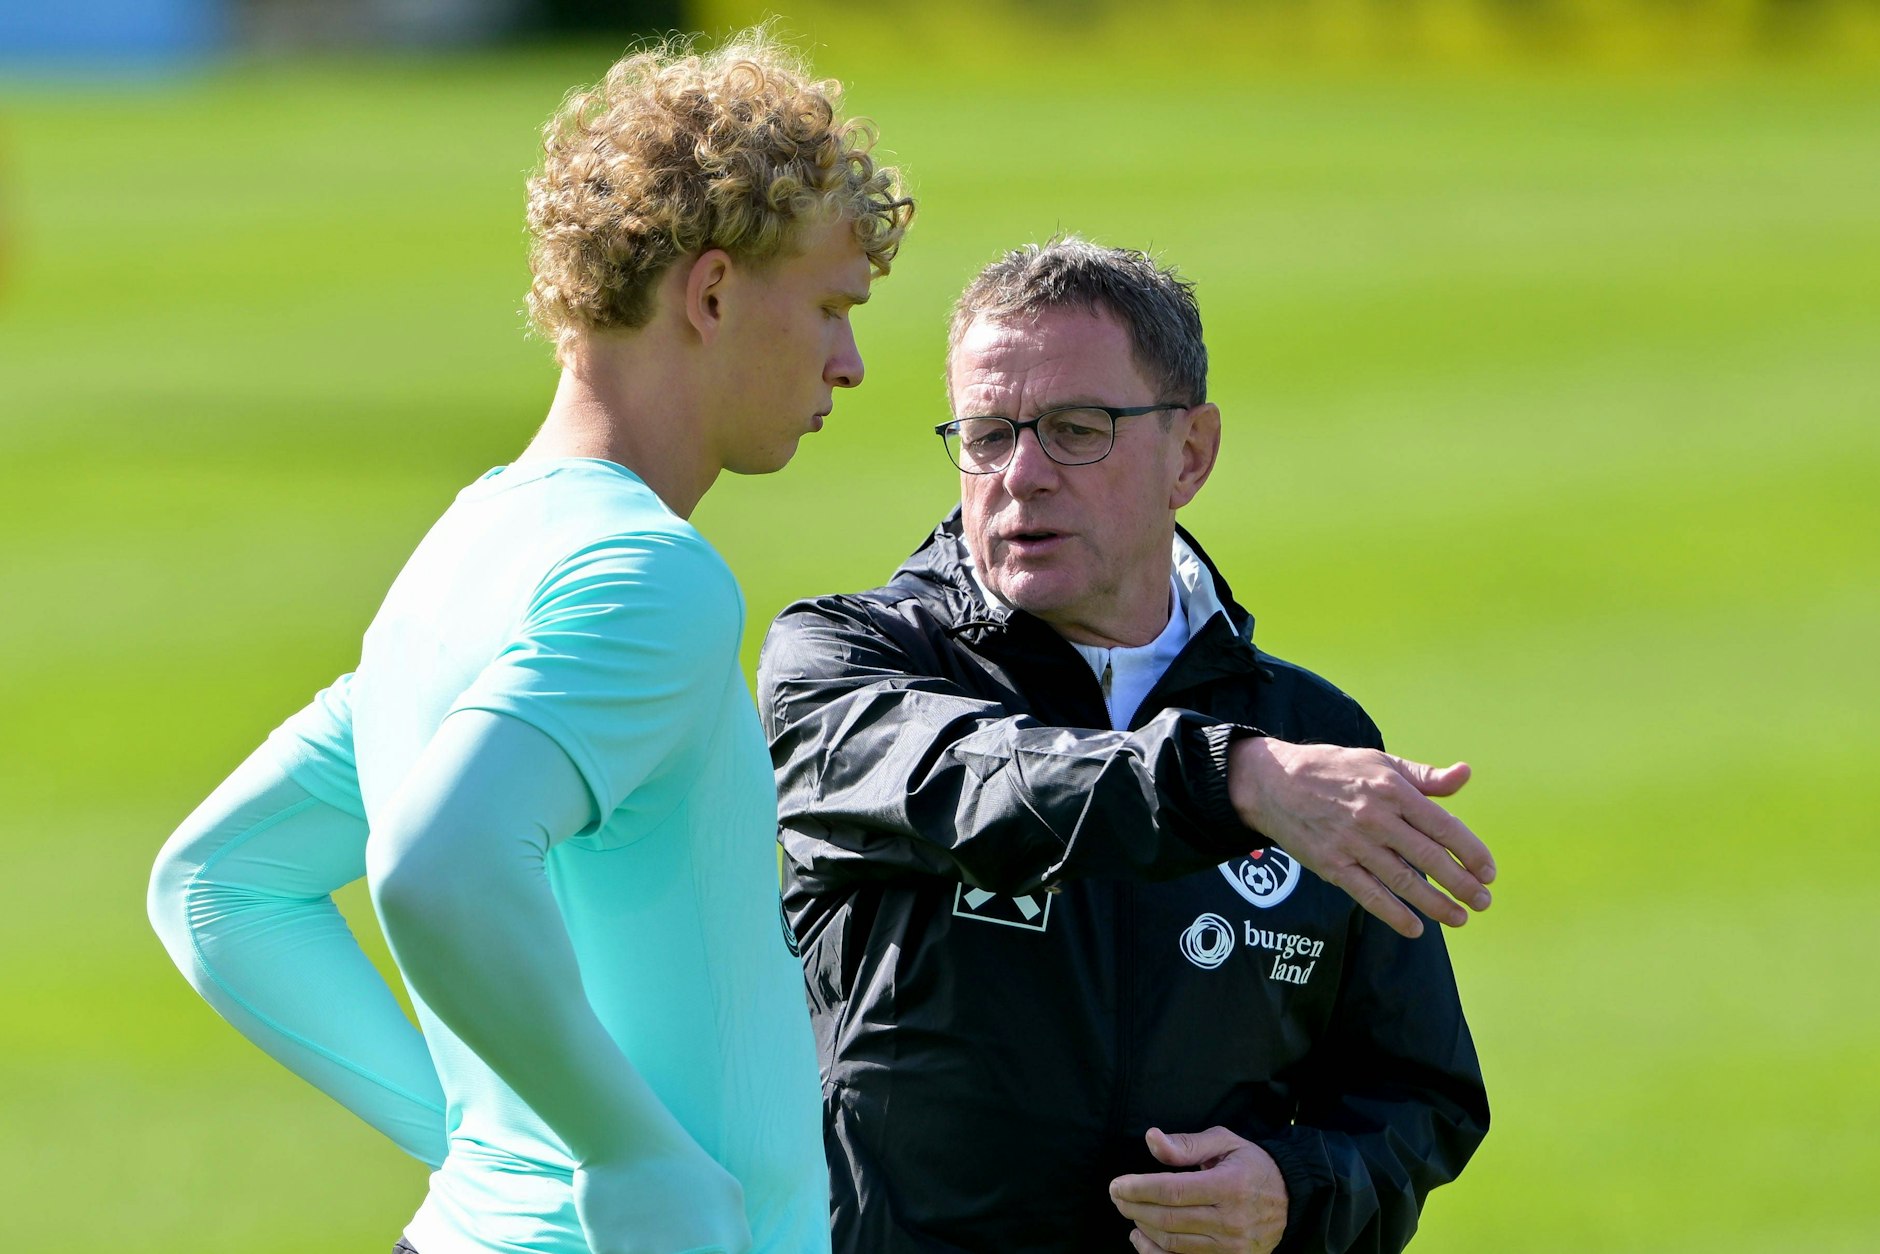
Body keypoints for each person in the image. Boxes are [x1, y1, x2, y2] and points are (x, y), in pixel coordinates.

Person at [147, 33, 912, 1254]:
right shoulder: (648, 577)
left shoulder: (454, 559)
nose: (851, 363)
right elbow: (432, 862)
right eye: (829, 308)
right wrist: (627, 1154)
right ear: (711, 294)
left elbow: (219, 886)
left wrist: (489, 1153)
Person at [758, 238, 1491, 1254]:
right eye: (985, 435)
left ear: (1188, 453)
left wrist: (1292, 1191)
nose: (1020, 476)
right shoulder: (848, 666)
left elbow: (1415, 1098)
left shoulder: (1313, 740)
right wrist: (1229, 779)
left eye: (1074, 430)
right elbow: (976, 779)